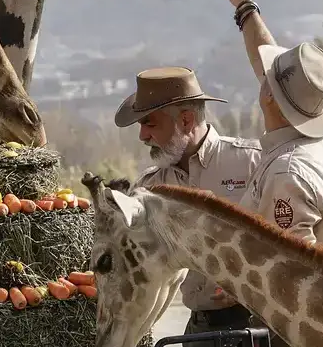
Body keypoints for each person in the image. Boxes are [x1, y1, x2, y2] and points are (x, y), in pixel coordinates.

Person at [210, 0, 323, 262]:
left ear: (269, 96)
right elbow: (283, 78)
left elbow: (295, 271)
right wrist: (244, 4)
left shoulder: (285, 174)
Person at [113, 66, 263, 337]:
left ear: (185, 120)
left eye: (150, 123)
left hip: (259, 326)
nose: (142, 136)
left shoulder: (253, 162)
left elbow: (290, 241)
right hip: (199, 330)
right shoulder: (149, 188)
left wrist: (250, 284)